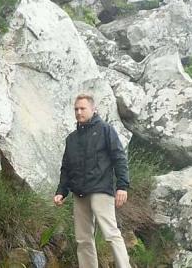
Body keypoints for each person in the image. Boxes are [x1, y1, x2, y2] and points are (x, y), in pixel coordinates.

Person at [53, 94, 131, 268]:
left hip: (101, 190)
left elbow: (119, 158)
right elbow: (66, 168)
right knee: (83, 239)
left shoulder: (105, 130)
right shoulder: (71, 139)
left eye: (82, 108)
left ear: (93, 109)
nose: (79, 112)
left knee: (111, 234)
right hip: (79, 194)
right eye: (76, 109)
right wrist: (61, 191)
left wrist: (122, 186)